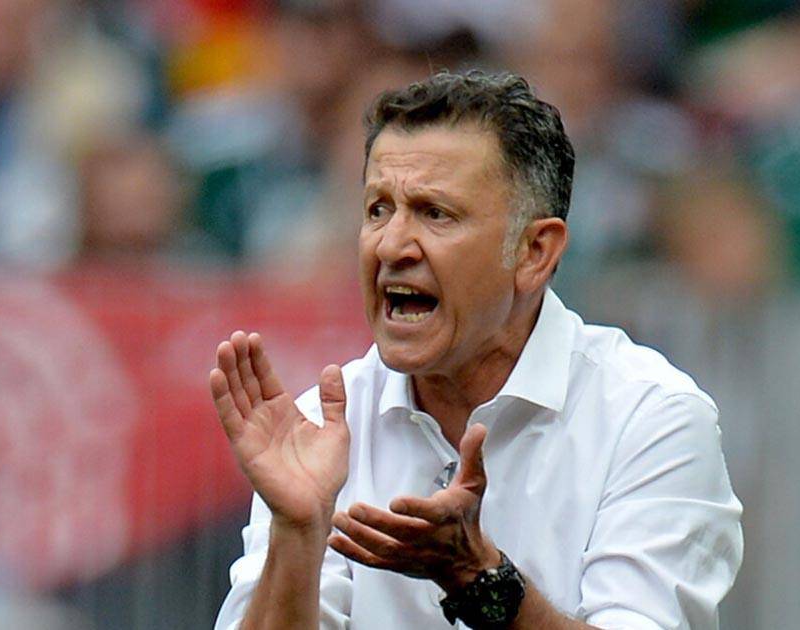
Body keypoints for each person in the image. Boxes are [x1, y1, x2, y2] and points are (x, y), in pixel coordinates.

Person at [209, 70, 742, 629]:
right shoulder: (323, 430)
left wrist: (479, 578)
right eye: (377, 209)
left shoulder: (650, 418)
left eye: (435, 212)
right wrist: (297, 532)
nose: (391, 245)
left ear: (534, 252)